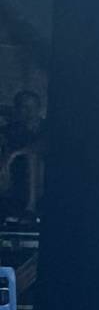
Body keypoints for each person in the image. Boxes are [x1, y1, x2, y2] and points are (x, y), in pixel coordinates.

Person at [0, 89, 44, 223]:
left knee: (32, 158)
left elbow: (38, 148)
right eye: (25, 107)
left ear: (39, 108)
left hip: (41, 174)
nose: (29, 111)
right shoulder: (13, 129)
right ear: (18, 110)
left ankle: (31, 207)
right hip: (13, 175)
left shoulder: (47, 127)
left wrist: (12, 156)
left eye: (32, 107)